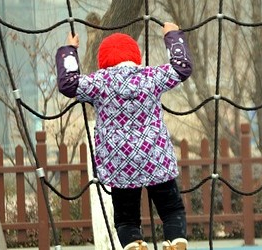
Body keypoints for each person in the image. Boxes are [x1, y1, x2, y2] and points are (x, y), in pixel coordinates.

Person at [55, 22, 192, 250]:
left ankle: (134, 245)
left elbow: (68, 84)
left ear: (103, 60)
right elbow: (182, 67)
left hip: (120, 164)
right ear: (135, 55)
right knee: (172, 209)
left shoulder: (99, 82)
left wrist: (69, 50)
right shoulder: (151, 76)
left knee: (126, 218)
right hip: (155, 158)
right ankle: (177, 241)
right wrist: (172, 35)